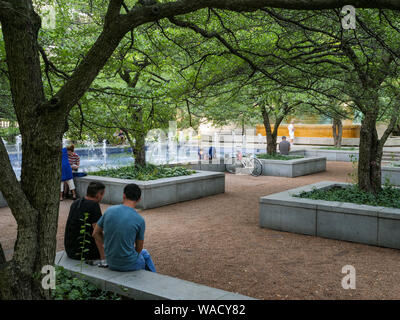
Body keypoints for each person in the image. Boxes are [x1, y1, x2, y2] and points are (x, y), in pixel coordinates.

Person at [93, 184, 156, 272]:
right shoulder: (139, 220)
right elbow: (139, 248)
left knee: (144, 253)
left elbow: (95, 233)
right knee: (144, 254)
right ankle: (154, 278)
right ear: (139, 200)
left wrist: (109, 243)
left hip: (110, 261)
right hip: (129, 264)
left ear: (123, 196)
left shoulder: (109, 211)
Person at [64, 182, 106, 263]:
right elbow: (97, 233)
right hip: (84, 253)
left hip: (70, 250)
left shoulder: (76, 203)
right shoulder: (94, 206)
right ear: (98, 194)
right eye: (102, 194)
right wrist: (103, 257)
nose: (102, 197)